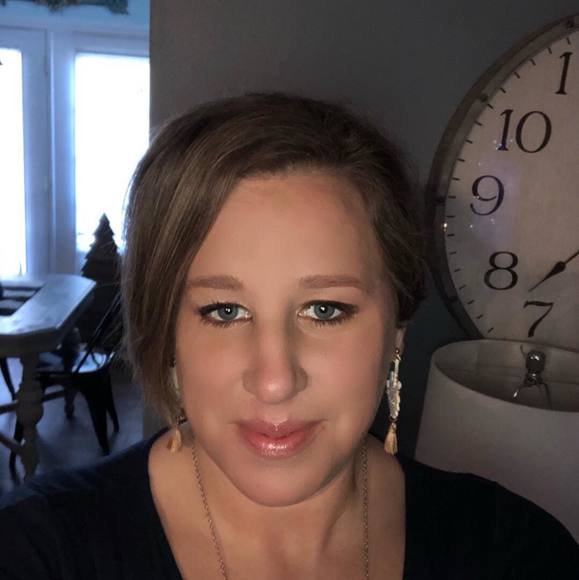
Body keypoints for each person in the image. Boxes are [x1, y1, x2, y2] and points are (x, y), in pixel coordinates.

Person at [0, 92, 577, 580]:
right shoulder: (38, 550)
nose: (275, 380)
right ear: (168, 332)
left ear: (397, 330)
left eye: (325, 309)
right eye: (224, 311)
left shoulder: (515, 553)